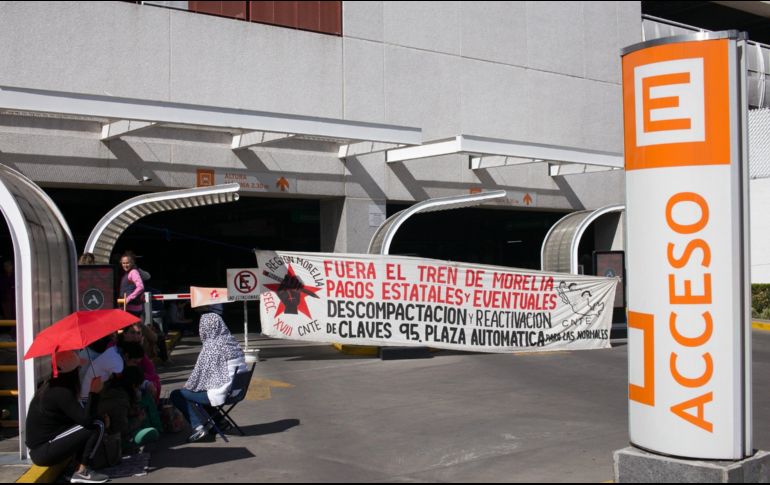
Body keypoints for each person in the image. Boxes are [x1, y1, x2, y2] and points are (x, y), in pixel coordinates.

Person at [25, 350, 109, 484]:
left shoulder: (53, 385)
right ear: (72, 372)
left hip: (43, 448)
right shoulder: (61, 392)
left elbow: (78, 416)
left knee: (96, 420)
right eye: (78, 368)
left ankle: (77, 466)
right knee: (97, 424)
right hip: (43, 451)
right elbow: (86, 421)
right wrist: (94, 393)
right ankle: (82, 471)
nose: (80, 371)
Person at [170, 310, 247, 442]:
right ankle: (219, 421)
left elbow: (198, 375)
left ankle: (198, 427)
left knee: (179, 394)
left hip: (223, 394)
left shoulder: (212, 346)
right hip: (237, 391)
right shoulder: (232, 342)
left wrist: (187, 387)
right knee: (201, 390)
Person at [118, 252, 144, 318]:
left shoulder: (133, 272)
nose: (125, 265)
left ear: (132, 263)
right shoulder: (126, 273)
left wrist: (128, 298)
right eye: (123, 263)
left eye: (127, 263)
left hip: (133, 309)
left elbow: (140, 287)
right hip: (127, 308)